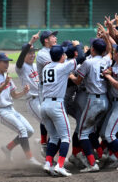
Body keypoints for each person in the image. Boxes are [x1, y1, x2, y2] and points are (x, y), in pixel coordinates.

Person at [0, 52, 41, 166]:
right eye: (4, 62)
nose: (7, 64)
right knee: (22, 130)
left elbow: (14, 95)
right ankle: (29, 158)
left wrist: (24, 92)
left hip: (11, 109)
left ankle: (8, 148)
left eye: (8, 62)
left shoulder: (7, 76)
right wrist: (4, 84)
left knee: (29, 131)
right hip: (0, 111)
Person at [70, 38, 111, 172]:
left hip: (94, 101)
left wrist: (70, 76)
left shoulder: (88, 63)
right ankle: (100, 154)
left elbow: (77, 81)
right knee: (91, 130)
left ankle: (92, 164)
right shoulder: (106, 60)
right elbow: (110, 50)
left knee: (82, 134)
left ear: (92, 49)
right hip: (105, 101)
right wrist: (108, 34)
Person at [41, 45, 77, 177]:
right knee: (65, 138)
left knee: (54, 137)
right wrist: (77, 46)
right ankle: (60, 166)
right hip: (56, 105)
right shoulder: (62, 67)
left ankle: (48, 163)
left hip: (44, 105)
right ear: (61, 56)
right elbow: (81, 58)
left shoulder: (46, 67)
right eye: (63, 54)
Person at [15, 31, 48, 155]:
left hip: (42, 98)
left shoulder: (35, 65)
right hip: (32, 101)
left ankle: (43, 143)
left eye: (33, 52)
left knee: (48, 121)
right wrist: (31, 42)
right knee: (48, 123)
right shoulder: (21, 68)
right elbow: (19, 59)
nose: (32, 55)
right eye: (29, 53)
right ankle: (45, 149)